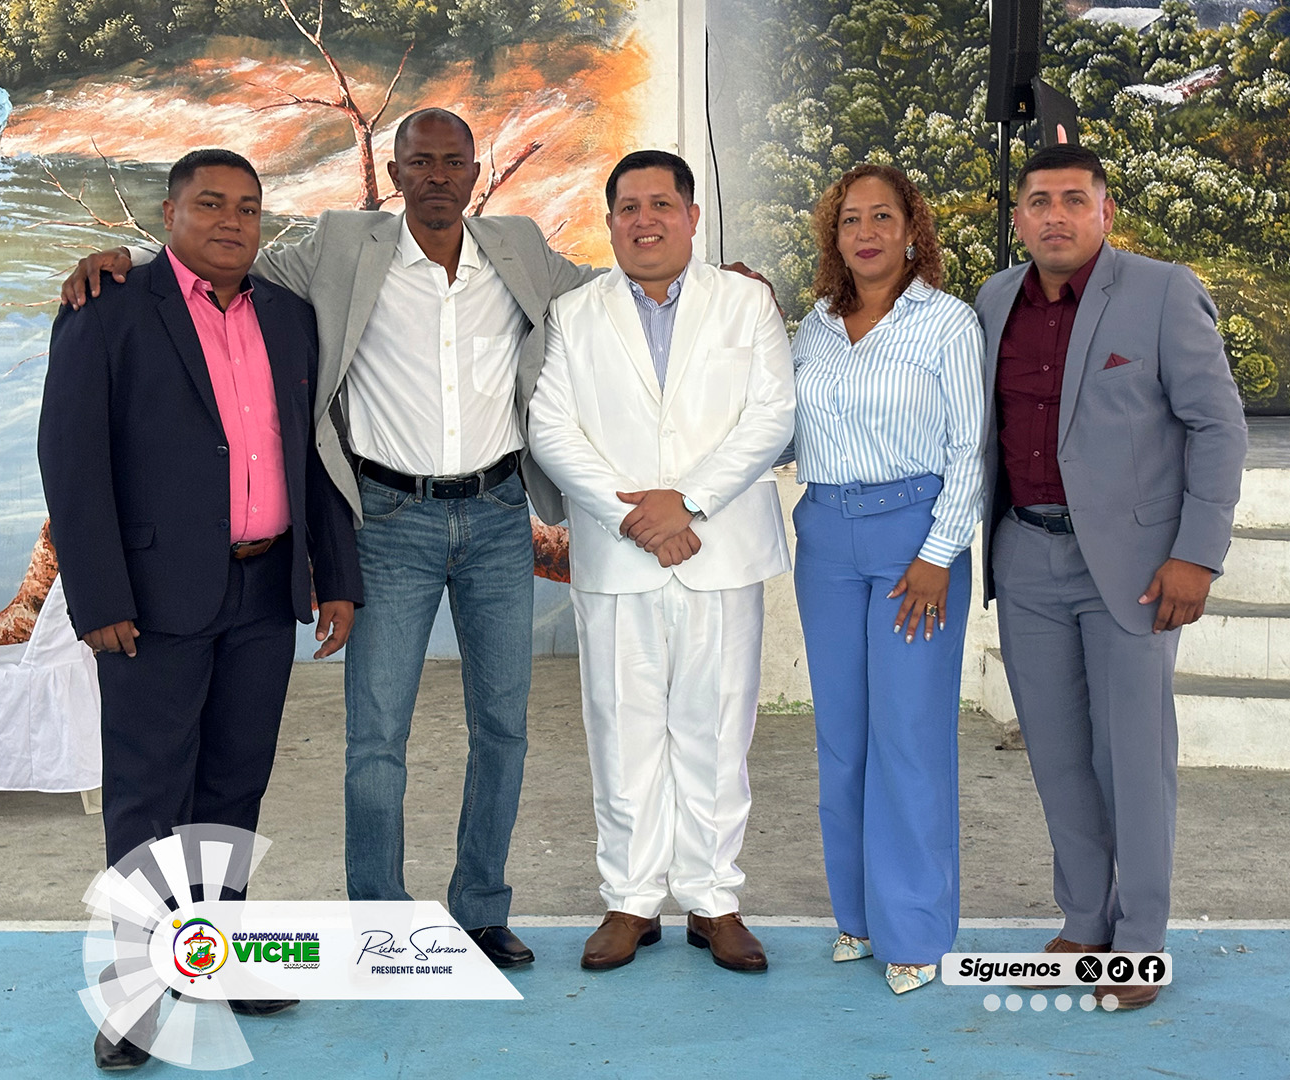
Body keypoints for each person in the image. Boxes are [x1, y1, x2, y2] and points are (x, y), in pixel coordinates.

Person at [61, 109, 602, 969]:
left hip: (491, 517)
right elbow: (202, 278)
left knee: (489, 731)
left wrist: (710, 279)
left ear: (475, 173)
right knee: (362, 741)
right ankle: (351, 929)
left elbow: (605, 289)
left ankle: (470, 911)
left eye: (453, 161)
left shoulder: (516, 249)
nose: (436, 174)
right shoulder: (335, 249)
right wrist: (121, 260)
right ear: (395, 172)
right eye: (419, 161)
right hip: (382, 521)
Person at [39, 148, 362, 1069]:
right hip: (149, 600)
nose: (232, 221)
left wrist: (335, 574)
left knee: (232, 787)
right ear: (169, 214)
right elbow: (70, 460)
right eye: (211, 204)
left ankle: (211, 960)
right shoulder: (107, 309)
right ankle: (135, 993)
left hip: (263, 592)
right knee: (149, 796)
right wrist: (99, 595)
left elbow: (312, 453)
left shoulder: (289, 318)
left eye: (248, 208)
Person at [975, 144, 1247, 1009]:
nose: (1054, 215)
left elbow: (1218, 427)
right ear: (1018, 217)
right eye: (1038, 201)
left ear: (1105, 211)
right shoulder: (993, 301)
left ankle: (1139, 940)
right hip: (1025, 555)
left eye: (1072, 199)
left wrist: (1197, 553)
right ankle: (1086, 920)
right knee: (1058, 755)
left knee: (1132, 757)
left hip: (1134, 568)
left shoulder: (1163, 292)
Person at [526, 150, 795, 973]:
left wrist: (690, 503)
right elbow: (551, 427)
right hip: (619, 555)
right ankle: (631, 900)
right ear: (610, 222)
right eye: (628, 208)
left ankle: (714, 901)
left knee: (717, 731)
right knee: (622, 729)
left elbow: (771, 415)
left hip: (719, 547)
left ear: (692, 216)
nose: (644, 220)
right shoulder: (574, 312)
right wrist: (634, 516)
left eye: (661, 204)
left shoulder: (746, 302)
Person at [787, 164, 984, 996]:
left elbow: (969, 449)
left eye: (882, 217)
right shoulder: (812, 329)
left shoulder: (947, 323)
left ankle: (915, 930)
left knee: (908, 735)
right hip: (825, 538)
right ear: (834, 237)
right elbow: (777, 429)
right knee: (842, 737)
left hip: (915, 541)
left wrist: (939, 554)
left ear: (911, 231)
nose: (865, 232)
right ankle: (859, 918)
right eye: (850, 220)